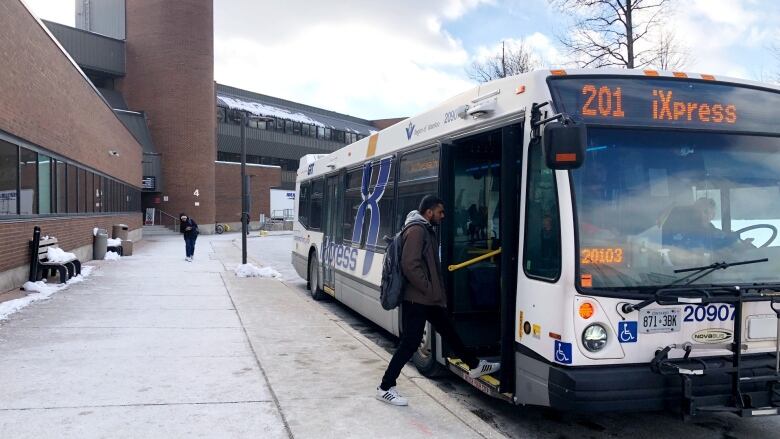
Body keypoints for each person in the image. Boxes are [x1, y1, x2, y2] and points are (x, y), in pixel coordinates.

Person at [376, 195, 500, 406]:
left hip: (425, 299)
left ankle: (474, 364)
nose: (443, 216)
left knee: (448, 330)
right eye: (440, 212)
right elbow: (409, 265)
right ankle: (385, 387)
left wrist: (431, 292)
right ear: (429, 212)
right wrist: (429, 288)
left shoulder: (425, 229)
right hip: (418, 299)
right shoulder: (417, 231)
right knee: (410, 343)